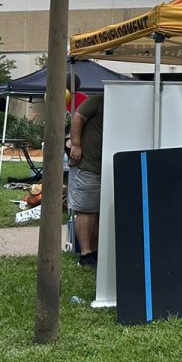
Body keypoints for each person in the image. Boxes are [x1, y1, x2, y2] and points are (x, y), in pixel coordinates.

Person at [68, 92, 104, 268]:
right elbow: (78, 117)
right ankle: (85, 253)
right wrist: (76, 144)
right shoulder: (98, 100)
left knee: (96, 213)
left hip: (104, 168)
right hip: (87, 166)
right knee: (86, 211)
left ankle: (95, 252)